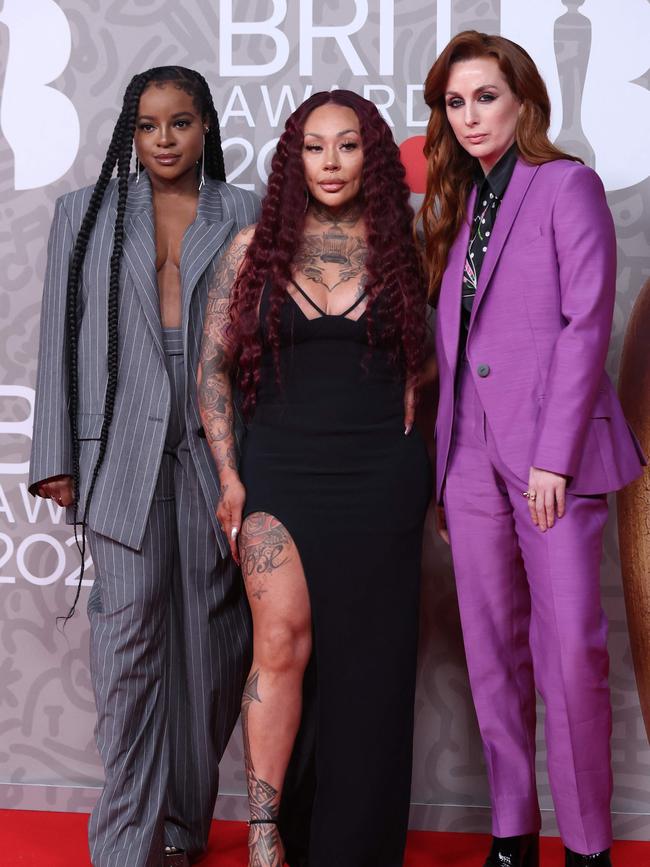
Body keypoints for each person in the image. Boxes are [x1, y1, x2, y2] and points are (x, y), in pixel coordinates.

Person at [420, 31, 646, 867]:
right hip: (471, 462)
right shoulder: (460, 204)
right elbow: (460, 346)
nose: (470, 115)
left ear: (523, 100)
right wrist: (446, 473)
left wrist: (554, 457)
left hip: (554, 458)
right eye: (454, 101)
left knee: (570, 653)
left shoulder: (566, 185)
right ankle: (512, 835)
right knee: (490, 650)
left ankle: (586, 844)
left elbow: (587, 321)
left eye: (485, 96)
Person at [29, 66, 259, 867]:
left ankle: (180, 830)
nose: (165, 140)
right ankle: (126, 842)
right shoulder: (84, 214)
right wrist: (55, 455)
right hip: (118, 448)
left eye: (181, 123)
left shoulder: (246, 213)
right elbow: (60, 333)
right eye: (149, 125)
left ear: (206, 128)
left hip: (212, 447)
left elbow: (263, 345)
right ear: (132, 132)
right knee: (127, 646)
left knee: (213, 645)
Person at [199, 89, 432, 867]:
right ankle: (266, 833)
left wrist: (415, 407)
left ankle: (357, 842)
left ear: (372, 156)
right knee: (281, 642)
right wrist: (230, 476)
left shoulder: (410, 247)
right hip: (280, 469)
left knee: (372, 657)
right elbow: (212, 371)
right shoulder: (250, 248)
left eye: (348, 146)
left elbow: (437, 357)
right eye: (314, 147)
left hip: (380, 474)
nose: (331, 163)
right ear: (292, 160)